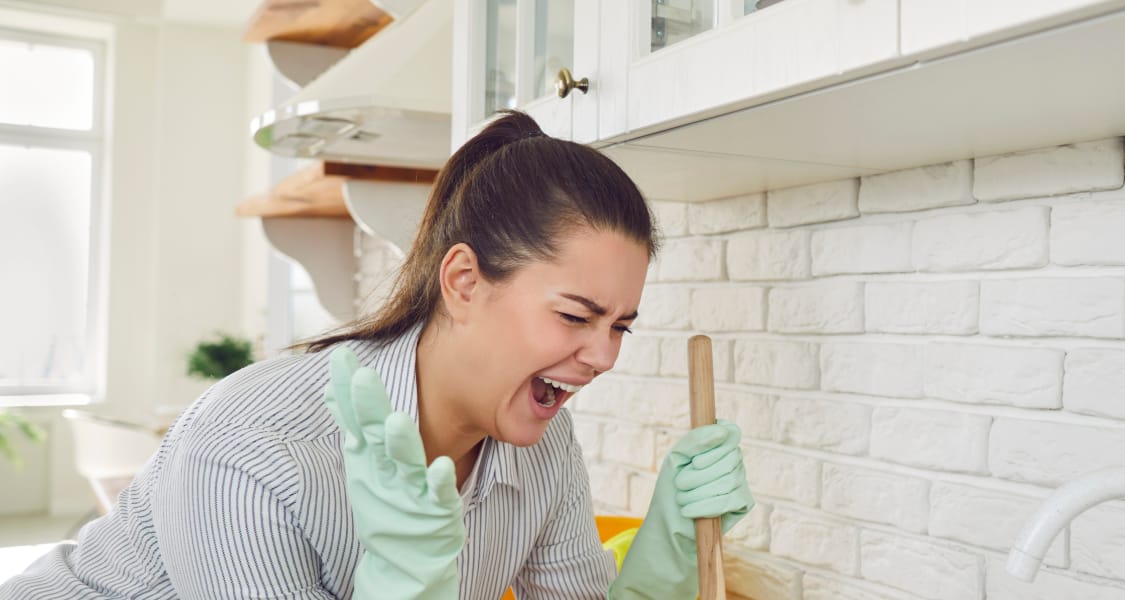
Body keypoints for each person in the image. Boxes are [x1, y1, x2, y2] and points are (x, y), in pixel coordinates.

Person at [0, 110, 753, 600]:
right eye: (576, 316)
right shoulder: (255, 444)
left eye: (621, 325)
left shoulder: (542, 444)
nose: (603, 356)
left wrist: (664, 561)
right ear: (463, 281)